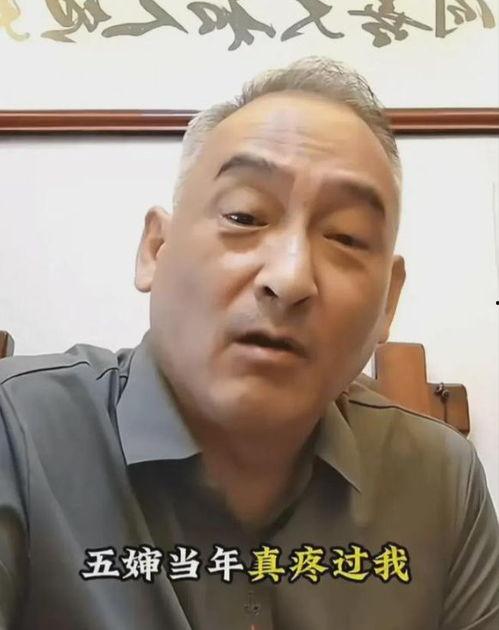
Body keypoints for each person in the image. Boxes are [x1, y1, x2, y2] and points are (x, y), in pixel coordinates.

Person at [0, 56, 498, 630]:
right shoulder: (17, 433)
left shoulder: (441, 480)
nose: (290, 278)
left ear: (389, 301)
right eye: (243, 216)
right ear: (156, 250)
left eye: (345, 236)